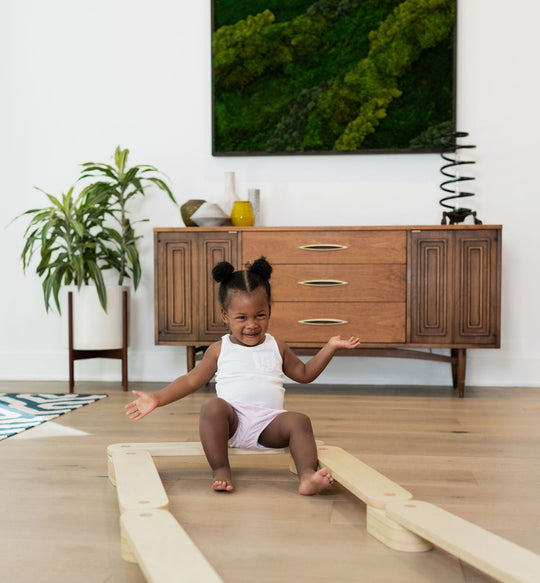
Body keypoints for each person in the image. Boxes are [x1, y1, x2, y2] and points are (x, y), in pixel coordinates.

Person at [125, 257, 360, 495]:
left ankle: (307, 476)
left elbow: (305, 374)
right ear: (225, 316)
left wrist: (330, 347)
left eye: (260, 315)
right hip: (231, 423)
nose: (252, 325)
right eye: (241, 318)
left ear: (269, 311)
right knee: (212, 407)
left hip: (270, 425)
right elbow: (190, 380)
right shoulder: (219, 349)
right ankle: (221, 469)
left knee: (300, 420)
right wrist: (157, 398)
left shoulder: (277, 346)